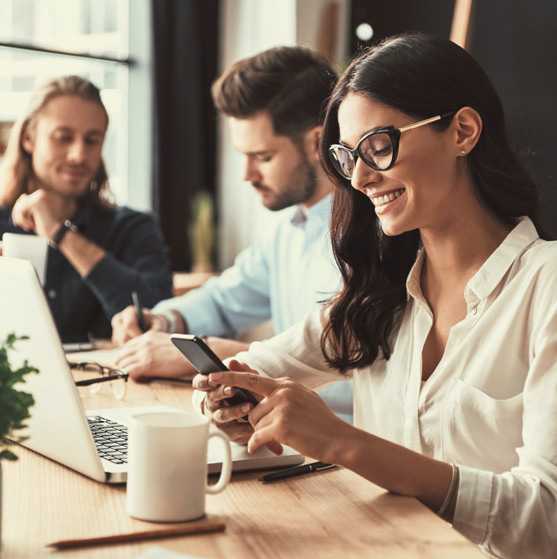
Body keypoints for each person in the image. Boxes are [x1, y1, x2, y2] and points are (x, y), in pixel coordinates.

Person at [192, 33, 557, 559]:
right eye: (347, 156)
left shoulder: (544, 287)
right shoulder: (377, 296)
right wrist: (225, 398)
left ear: (463, 131)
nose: (360, 178)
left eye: (379, 147)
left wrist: (343, 442)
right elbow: (250, 366)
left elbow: (544, 516)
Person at [110, 46, 352, 421]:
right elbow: (224, 299)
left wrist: (223, 355)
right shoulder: (288, 230)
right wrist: (165, 321)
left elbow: (359, 375)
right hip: (285, 436)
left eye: (263, 156)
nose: (247, 175)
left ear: (316, 143)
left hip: (343, 454)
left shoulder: (371, 236)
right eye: (243, 155)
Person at [0, 76, 172, 342]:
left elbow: (157, 317)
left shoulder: (133, 227)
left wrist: (60, 234)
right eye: (63, 138)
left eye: (92, 140)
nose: (79, 155)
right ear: (28, 139)